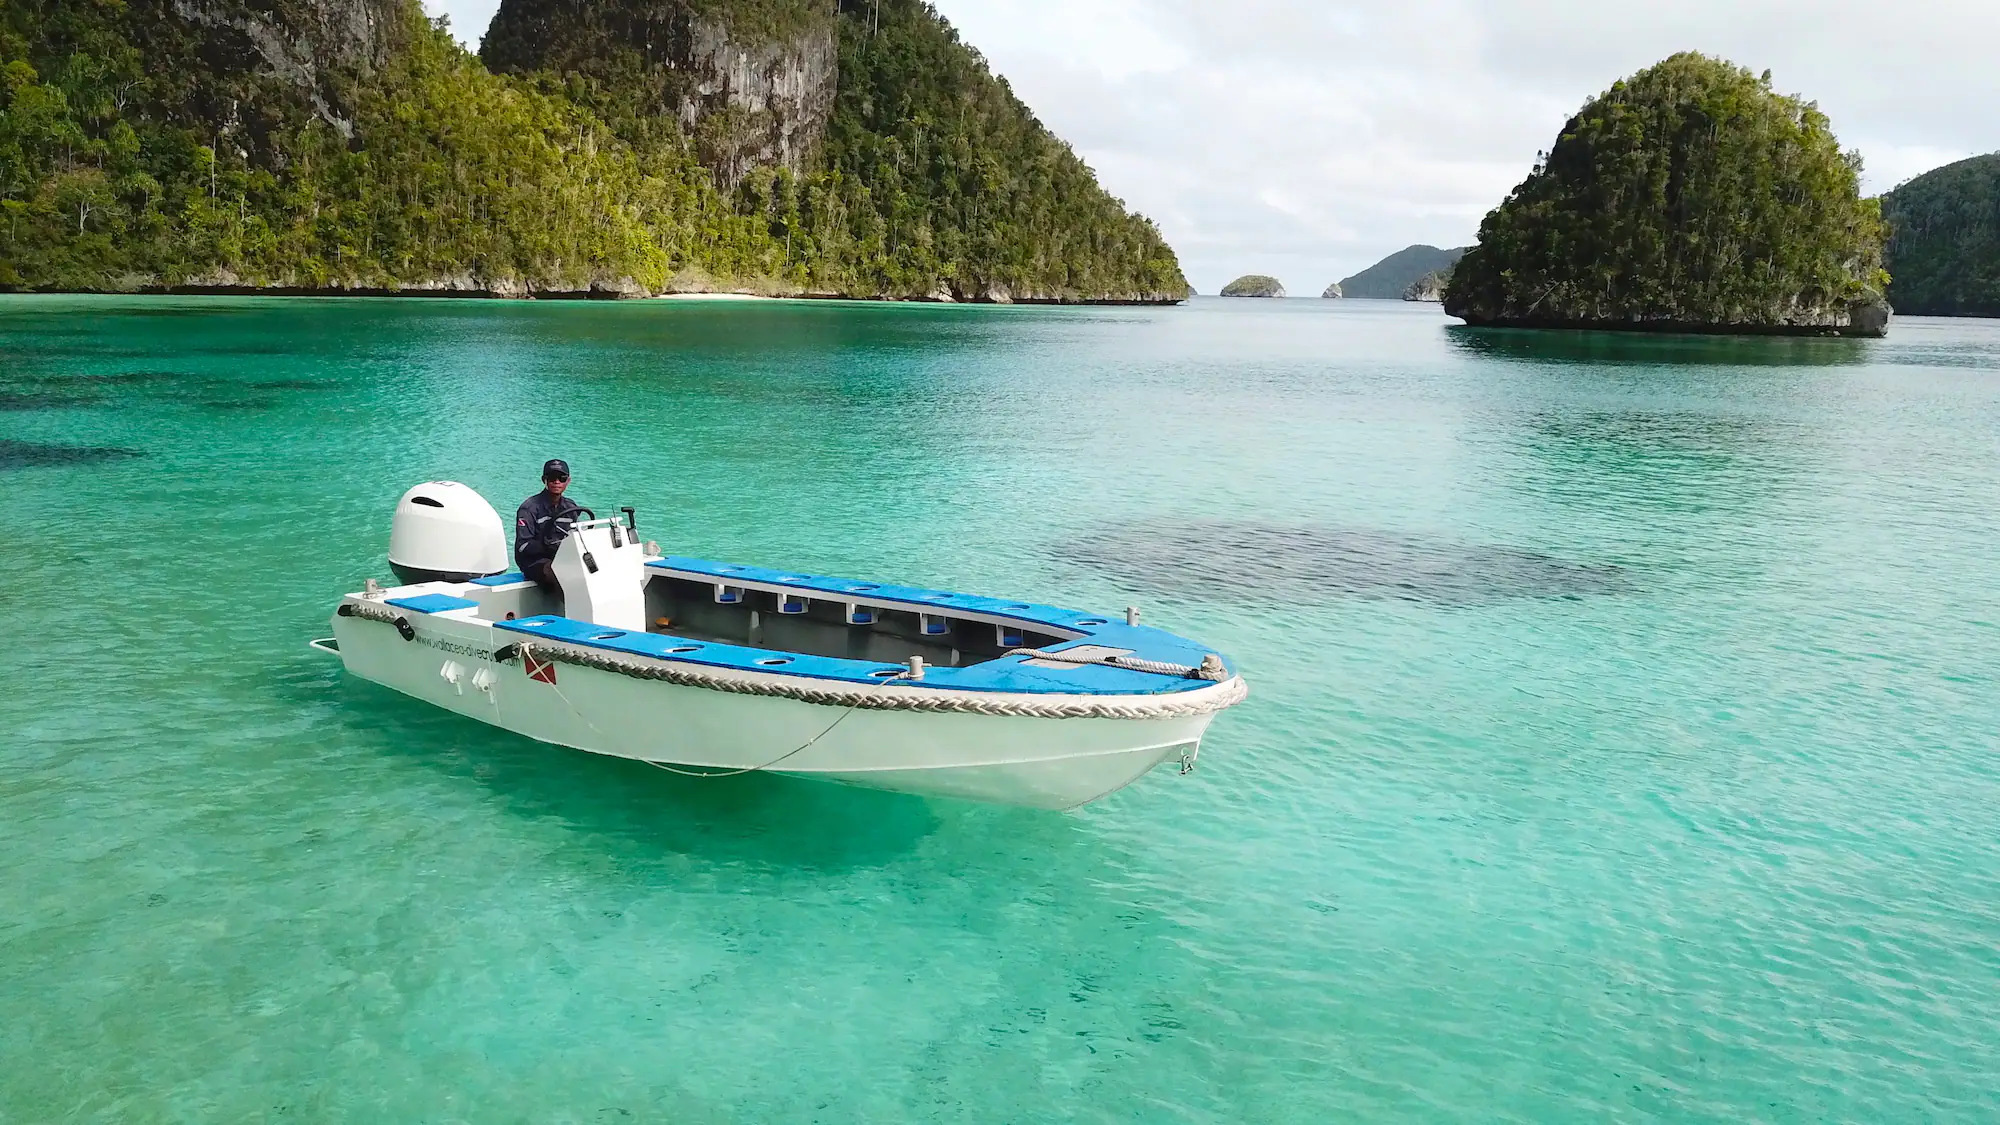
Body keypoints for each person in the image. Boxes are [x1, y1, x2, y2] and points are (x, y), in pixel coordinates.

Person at [515, 459, 583, 593]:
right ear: (544, 480)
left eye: (561, 478)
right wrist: (547, 545)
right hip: (534, 562)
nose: (557, 482)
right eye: (552, 478)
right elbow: (522, 547)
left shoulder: (571, 507)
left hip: (561, 558)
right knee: (558, 572)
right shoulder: (529, 509)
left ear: (568, 481)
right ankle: (571, 610)